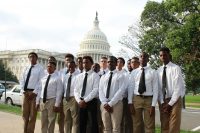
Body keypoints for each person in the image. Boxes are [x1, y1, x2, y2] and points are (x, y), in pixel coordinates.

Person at [128, 52, 158, 133]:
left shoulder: (153, 72)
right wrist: (130, 102)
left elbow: (155, 90)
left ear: (148, 59)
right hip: (136, 99)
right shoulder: (134, 72)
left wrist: (153, 105)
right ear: (139, 59)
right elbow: (131, 88)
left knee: (149, 125)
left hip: (149, 100)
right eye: (141, 57)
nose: (143, 58)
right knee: (137, 124)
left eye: (145, 57)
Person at [157, 47, 185, 133]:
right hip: (163, 100)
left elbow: (178, 87)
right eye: (161, 55)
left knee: (174, 126)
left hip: (175, 99)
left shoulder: (176, 68)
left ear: (169, 55)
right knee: (164, 125)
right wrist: (162, 102)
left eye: (165, 55)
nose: (163, 57)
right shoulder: (158, 70)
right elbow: (159, 88)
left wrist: (170, 104)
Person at [99, 56, 125, 133]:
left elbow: (121, 91)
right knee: (106, 128)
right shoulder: (103, 76)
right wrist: (104, 103)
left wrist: (110, 103)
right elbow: (100, 90)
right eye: (109, 62)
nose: (110, 63)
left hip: (116, 104)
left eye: (112, 62)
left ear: (116, 63)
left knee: (116, 129)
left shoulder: (121, 75)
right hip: (104, 105)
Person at [36, 57, 63, 133]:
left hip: (52, 101)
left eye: (51, 66)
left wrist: (57, 104)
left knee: (51, 121)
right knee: (43, 121)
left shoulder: (57, 78)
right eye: (48, 66)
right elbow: (40, 90)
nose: (49, 68)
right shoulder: (43, 78)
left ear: (55, 68)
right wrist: (37, 102)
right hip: (42, 101)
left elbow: (59, 92)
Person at [20, 52, 44, 133]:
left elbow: (40, 82)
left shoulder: (40, 68)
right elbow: (22, 80)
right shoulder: (25, 68)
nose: (31, 58)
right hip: (25, 93)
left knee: (32, 116)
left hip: (34, 94)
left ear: (36, 58)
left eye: (33, 57)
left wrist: (34, 92)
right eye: (30, 57)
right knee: (24, 115)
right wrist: (23, 91)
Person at [74, 56, 99, 133]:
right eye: (83, 62)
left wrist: (85, 100)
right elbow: (76, 90)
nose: (85, 64)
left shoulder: (95, 76)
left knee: (93, 124)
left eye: (87, 62)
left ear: (91, 64)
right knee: (82, 123)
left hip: (92, 102)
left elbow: (95, 90)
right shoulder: (79, 76)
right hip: (81, 103)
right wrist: (79, 101)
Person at [59, 53, 75, 133]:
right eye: (66, 60)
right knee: (63, 118)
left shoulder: (77, 73)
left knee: (73, 119)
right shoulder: (61, 72)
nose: (68, 62)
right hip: (63, 98)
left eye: (69, 60)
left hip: (73, 98)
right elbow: (60, 86)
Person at [62, 61, 79, 133]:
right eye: (69, 66)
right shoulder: (65, 76)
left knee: (75, 119)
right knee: (66, 119)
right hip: (66, 99)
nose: (70, 68)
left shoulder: (78, 76)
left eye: (72, 66)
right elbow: (63, 88)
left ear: (75, 66)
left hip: (74, 98)